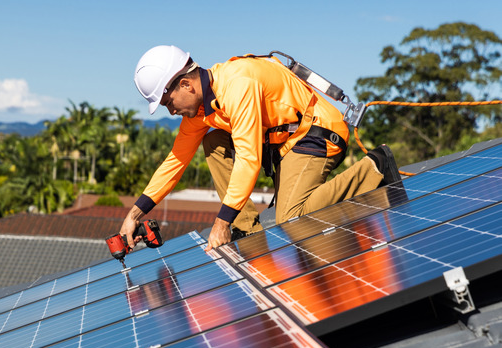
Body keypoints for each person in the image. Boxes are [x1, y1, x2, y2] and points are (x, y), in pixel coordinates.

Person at [118, 45, 400, 251]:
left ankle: (374, 166)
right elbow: (175, 161)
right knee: (213, 141)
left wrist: (221, 222)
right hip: (285, 144)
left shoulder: (238, 85)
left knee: (292, 218)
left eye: (169, 103)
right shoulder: (202, 110)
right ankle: (247, 230)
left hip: (316, 132)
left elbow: (249, 159)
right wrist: (134, 214)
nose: (171, 111)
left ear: (185, 85)